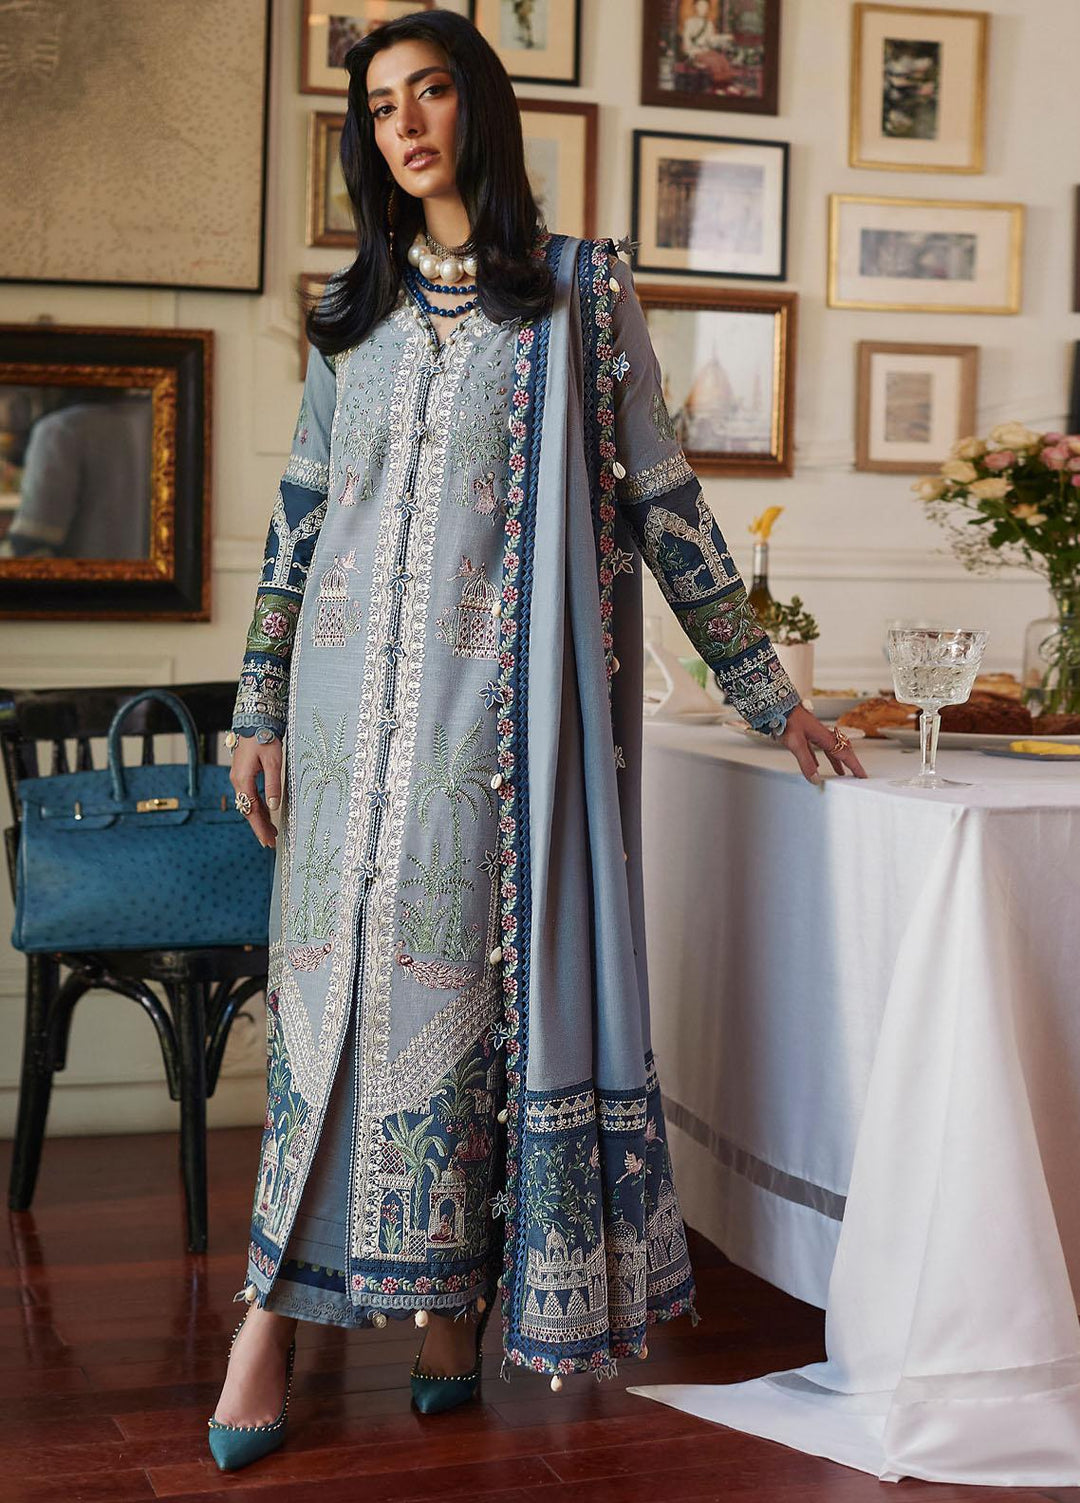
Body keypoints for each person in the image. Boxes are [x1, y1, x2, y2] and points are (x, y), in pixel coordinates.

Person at [211, 8, 866, 1472]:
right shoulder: (353, 313)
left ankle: (447, 1307)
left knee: (448, 1011)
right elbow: (300, 519)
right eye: (380, 106)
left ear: (480, 108)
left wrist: (769, 693)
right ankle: (268, 1319)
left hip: (489, 732)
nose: (405, 123)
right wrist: (258, 705)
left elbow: (663, 499)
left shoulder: (579, 291)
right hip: (340, 720)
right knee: (323, 1012)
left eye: (430, 91)